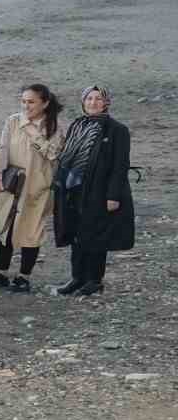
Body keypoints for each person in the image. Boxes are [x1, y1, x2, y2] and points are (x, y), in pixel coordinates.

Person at [53, 85, 134, 297]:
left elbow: (120, 166)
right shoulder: (77, 125)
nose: (93, 103)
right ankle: (77, 278)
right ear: (83, 102)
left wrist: (113, 196)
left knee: (96, 235)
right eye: (89, 99)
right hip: (74, 188)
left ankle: (94, 280)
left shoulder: (117, 130)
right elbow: (66, 155)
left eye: (99, 99)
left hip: (99, 191)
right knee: (76, 235)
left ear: (106, 103)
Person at [0, 84, 64, 293]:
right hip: (11, 186)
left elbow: (53, 154)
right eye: (23, 101)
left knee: (31, 232)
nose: (26, 106)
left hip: (37, 189)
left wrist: (31, 129)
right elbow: (1, 149)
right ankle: (1, 273)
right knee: (4, 229)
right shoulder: (12, 121)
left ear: (44, 103)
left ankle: (23, 277)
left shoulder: (54, 126)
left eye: (31, 102)